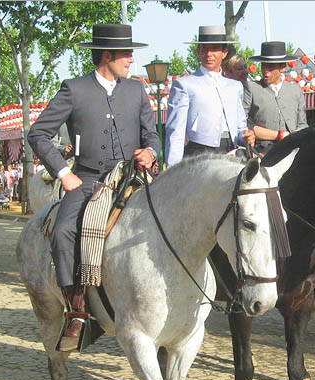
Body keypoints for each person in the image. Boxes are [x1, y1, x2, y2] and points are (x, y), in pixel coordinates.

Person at [28, 23, 159, 352]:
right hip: (88, 179)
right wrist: (62, 173)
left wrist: (151, 150)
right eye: (126, 54)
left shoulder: (137, 91)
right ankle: (77, 310)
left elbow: (152, 134)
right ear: (107, 55)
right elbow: (38, 134)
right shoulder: (73, 89)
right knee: (63, 231)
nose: (131, 59)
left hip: (132, 176)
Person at [164, 25, 254, 167]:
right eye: (204, 49)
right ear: (198, 52)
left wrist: (247, 136)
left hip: (232, 153)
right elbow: (176, 132)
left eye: (214, 49)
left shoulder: (235, 87)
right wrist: (171, 170)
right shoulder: (184, 85)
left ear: (224, 53)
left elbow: (240, 126)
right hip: (199, 154)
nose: (209, 54)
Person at [244, 41, 307, 156]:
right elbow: (243, 123)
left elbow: (303, 124)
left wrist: (296, 136)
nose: (265, 71)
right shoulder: (252, 88)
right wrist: (278, 135)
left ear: (282, 67)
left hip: (292, 150)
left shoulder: (295, 90)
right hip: (262, 151)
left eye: (271, 67)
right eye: (263, 65)